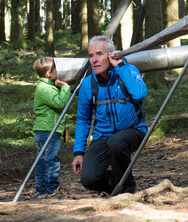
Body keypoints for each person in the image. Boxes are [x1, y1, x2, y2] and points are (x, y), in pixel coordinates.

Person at [71, 35, 148, 196]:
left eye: (99, 54)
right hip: (102, 136)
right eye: (91, 56)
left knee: (117, 142)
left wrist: (120, 66)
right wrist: (79, 152)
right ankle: (118, 184)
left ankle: (126, 190)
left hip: (134, 130)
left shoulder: (128, 71)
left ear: (111, 55)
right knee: (89, 179)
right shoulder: (88, 84)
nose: (94, 60)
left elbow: (140, 94)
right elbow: (84, 119)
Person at [32, 56, 72, 199]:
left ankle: (41, 191)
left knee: (43, 160)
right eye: (57, 69)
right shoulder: (45, 88)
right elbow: (60, 103)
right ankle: (51, 189)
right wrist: (66, 88)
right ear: (49, 73)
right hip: (48, 130)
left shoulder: (48, 86)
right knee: (50, 160)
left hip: (46, 129)